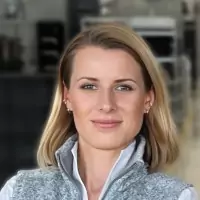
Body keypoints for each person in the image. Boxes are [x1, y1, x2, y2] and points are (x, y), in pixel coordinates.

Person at [0, 23, 198, 200]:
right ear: (67, 97)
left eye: (123, 87)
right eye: (89, 86)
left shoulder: (177, 196)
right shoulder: (17, 192)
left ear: (148, 99)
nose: (106, 104)